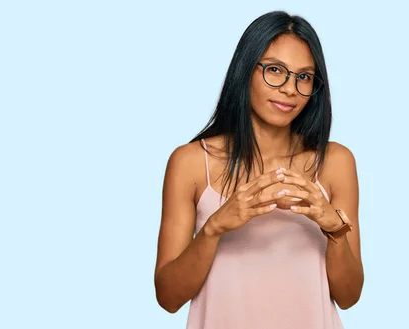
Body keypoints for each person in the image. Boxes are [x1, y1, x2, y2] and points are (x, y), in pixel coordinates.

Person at [154, 10, 364, 329]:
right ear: (245, 70)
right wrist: (214, 227)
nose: (290, 88)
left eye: (304, 76)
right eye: (275, 70)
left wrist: (334, 229)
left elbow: (349, 297)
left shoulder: (335, 162)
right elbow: (168, 298)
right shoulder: (191, 162)